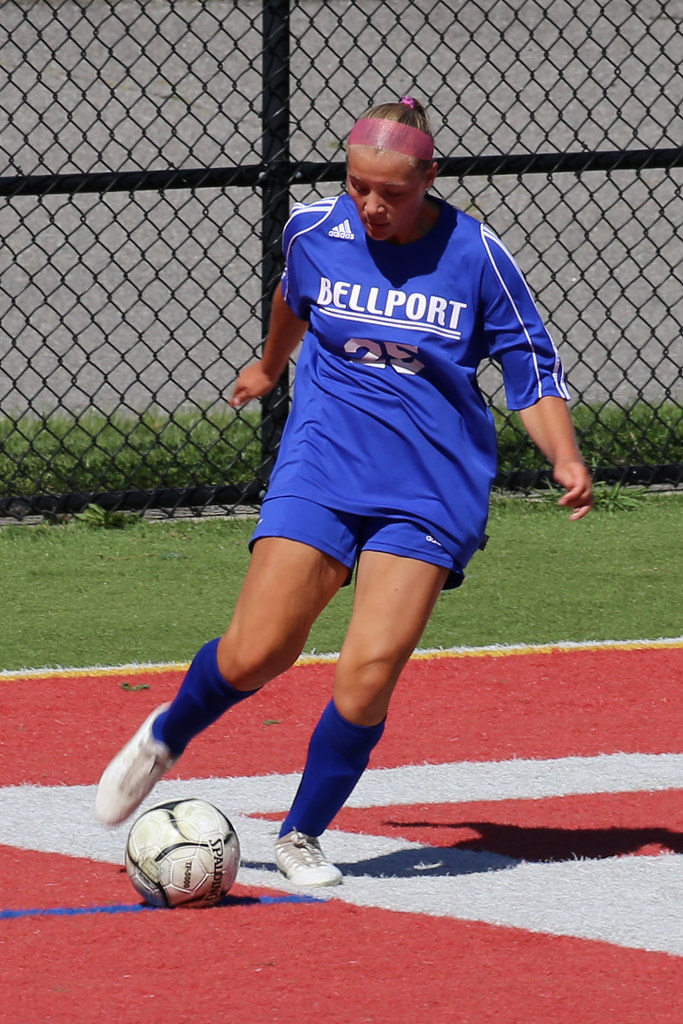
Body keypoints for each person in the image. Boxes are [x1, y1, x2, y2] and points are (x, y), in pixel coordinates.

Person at [95, 96, 593, 886]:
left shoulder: (476, 255)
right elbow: (294, 297)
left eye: (390, 193)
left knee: (368, 669)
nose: (370, 205)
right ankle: (168, 731)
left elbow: (531, 368)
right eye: (358, 186)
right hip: (324, 461)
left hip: (430, 483)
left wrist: (563, 455)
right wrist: (268, 366)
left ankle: (301, 833)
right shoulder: (314, 230)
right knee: (258, 652)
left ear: (429, 179)